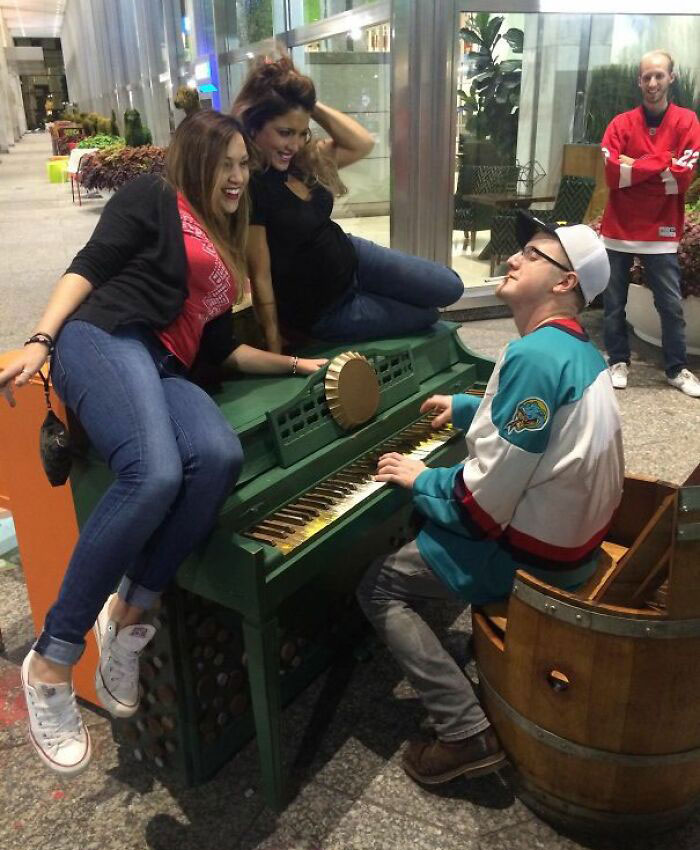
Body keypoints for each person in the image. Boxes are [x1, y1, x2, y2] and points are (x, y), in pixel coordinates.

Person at [0, 110, 326, 777]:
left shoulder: (223, 239)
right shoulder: (155, 196)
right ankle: (54, 659)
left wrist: (294, 366)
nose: (238, 176)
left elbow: (220, 350)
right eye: (228, 162)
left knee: (217, 457)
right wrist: (41, 338)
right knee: (152, 473)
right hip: (105, 339)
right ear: (199, 157)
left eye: (245, 165)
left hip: (164, 367)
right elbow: (88, 267)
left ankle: (127, 612)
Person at [357, 213, 624, 786]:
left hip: (536, 558)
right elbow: (529, 433)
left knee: (378, 583)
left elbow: (481, 505)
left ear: (563, 283)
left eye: (531, 254)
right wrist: (464, 409)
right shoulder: (573, 351)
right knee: (423, 519)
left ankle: (462, 732)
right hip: (573, 542)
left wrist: (417, 475)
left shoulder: (535, 358)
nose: (512, 259)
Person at [232, 56, 464, 352]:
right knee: (426, 315)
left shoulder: (300, 160)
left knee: (450, 287)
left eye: (302, 133)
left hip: (354, 257)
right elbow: (261, 275)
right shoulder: (252, 186)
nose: (293, 144)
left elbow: (362, 142)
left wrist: (305, 102)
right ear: (254, 128)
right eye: (284, 132)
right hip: (327, 310)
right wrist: (275, 343)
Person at [601, 49, 700, 397]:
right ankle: (617, 360)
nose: (653, 82)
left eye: (659, 75)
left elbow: (682, 179)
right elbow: (615, 175)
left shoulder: (688, 122)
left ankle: (676, 369)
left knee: (671, 307)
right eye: (647, 77)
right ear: (639, 81)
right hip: (618, 231)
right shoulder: (619, 124)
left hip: (662, 233)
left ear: (671, 77)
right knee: (613, 305)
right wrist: (663, 163)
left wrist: (637, 165)